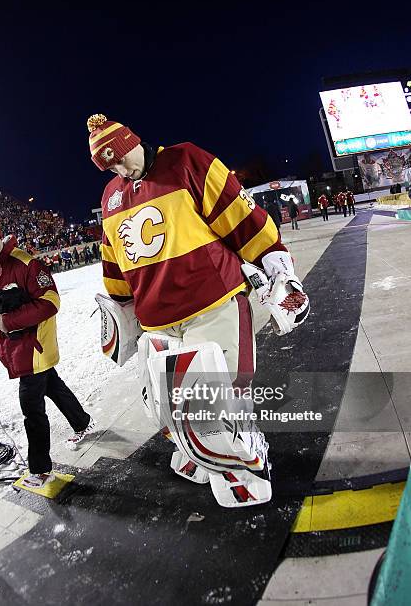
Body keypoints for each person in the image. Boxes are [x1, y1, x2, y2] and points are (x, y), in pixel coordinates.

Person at [87, 114, 309, 508]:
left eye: (121, 158)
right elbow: (114, 265)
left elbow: (243, 219)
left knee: (220, 401)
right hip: (157, 322)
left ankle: (248, 465)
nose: (120, 169)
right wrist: (121, 313)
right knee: (169, 409)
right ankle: (201, 456)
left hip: (213, 305)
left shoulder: (187, 160)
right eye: (110, 166)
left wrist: (279, 271)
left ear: (134, 141)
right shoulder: (110, 198)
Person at [0, 206, 95, 489]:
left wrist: (10, 320)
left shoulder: (25, 263)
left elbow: (51, 302)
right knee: (54, 387)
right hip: (15, 353)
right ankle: (82, 421)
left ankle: (40, 470)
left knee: (31, 410)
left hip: (34, 350)